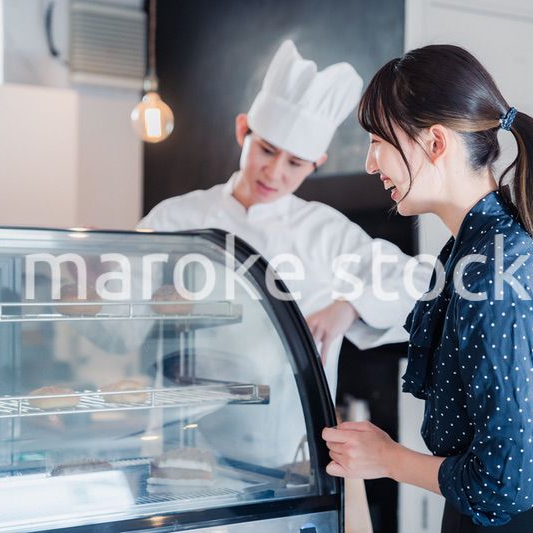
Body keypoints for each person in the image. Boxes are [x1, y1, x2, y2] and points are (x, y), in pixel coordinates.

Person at [322, 44, 533, 532]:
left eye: (377, 141)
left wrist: (386, 458)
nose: (370, 163)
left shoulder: (493, 269)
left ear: (434, 143)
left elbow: (504, 483)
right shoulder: (472, 250)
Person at [137, 40, 422, 398]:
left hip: (289, 425)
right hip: (187, 416)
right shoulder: (174, 217)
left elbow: (416, 281)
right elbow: (117, 314)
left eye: (295, 163)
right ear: (243, 130)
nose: (273, 173)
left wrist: (350, 307)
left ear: (316, 163)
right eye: (266, 150)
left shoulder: (325, 230)